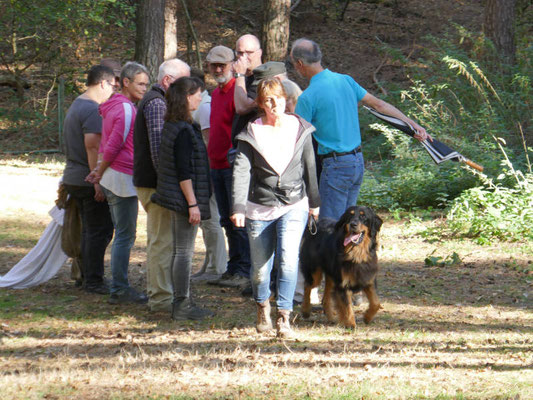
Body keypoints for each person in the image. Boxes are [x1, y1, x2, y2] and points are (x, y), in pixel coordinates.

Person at [291, 38, 431, 221]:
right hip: (357, 162)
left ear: (300, 64)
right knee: (349, 224)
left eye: (294, 64)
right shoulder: (346, 81)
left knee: (331, 226)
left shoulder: (307, 97)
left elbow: (295, 140)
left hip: (335, 165)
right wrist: (413, 124)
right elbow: (379, 105)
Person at [231, 78, 320, 339]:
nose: (275, 104)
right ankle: (262, 307)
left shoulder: (300, 128)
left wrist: (314, 203)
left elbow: (310, 167)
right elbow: (241, 171)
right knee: (260, 270)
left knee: (288, 259)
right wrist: (237, 206)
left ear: (286, 100)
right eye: (268, 100)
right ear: (260, 104)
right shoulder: (251, 132)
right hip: (259, 206)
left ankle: (284, 318)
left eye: (279, 98)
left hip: (295, 203)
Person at [151, 77, 215, 321]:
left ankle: (182, 301)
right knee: (184, 252)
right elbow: (183, 172)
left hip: (179, 198)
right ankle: (182, 304)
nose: (201, 98)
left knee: (181, 250)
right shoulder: (184, 130)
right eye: (198, 94)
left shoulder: (176, 124)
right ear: (188, 96)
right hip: (184, 200)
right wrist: (192, 204)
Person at [87, 61, 150, 304]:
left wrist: (100, 172)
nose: (145, 88)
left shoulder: (114, 106)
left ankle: (119, 286)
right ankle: (120, 288)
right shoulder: (124, 108)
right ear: (126, 82)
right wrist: (99, 172)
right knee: (125, 236)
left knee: (123, 234)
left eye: (146, 84)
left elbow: (107, 144)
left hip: (115, 175)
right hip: (120, 177)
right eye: (140, 83)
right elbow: (113, 144)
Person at [133, 59, 191, 312]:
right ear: (167, 81)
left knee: (163, 240)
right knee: (161, 242)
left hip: (153, 183)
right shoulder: (157, 103)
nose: (187, 91)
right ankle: (160, 299)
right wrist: (170, 185)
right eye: (183, 84)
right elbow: (159, 151)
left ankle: (162, 294)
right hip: (155, 185)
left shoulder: (155, 99)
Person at [61, 65, 115, 294]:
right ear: (103, 83)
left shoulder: (77, 103)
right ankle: (94, 280)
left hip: (74, 175)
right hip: (86, 178)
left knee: (89, 230)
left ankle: (85, 277)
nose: (113, 90)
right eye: (113, 85)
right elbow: (92, 146)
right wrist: (97, 180)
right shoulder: (92, 109)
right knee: (99, 230)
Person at [205, 45, 251, 289]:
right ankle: (233, 268)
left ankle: (244, 270)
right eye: (214, 65)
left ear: (233, 64)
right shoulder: (215, 93)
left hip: (233, 165)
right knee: (225, 219)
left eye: (223, 64)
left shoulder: (238, 90)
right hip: (216, 165)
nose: (219, 69)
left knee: (238, 219)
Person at [190, 68, 228, 279]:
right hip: (201, 173)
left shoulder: (204, 108)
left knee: (211, 219)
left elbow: (208, 143)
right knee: (207, 220)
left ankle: (218, 267)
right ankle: (210, 263)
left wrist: (207, 175)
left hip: (208, 172)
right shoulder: (201, 105)